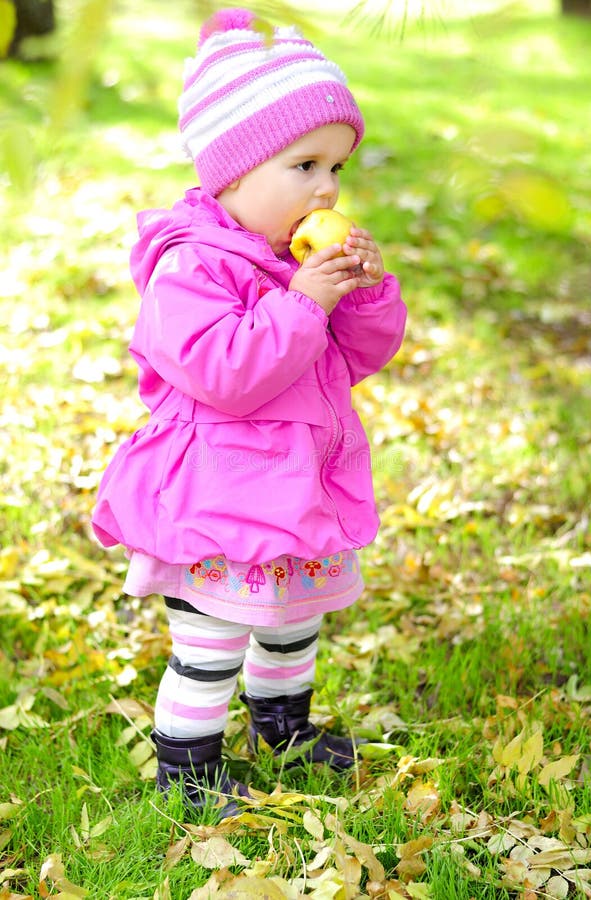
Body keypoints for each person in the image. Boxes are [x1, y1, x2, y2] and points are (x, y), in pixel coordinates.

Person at [92, 7, 407, 817]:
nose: (328, 189)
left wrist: (362, 293)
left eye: (338, 168)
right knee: (212, 644)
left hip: (294, 495)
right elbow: (225, 374)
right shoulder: (189, 269)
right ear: (230, 174)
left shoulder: (291, 259)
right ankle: (187, 771)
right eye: (305, 166)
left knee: (292, 625)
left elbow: (358, 358)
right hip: (220, 504)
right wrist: (303, 304)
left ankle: (283, 725)